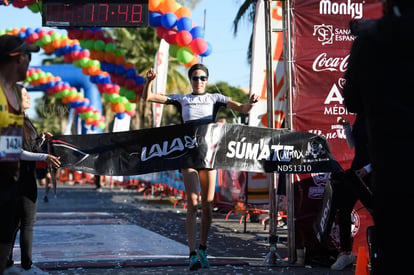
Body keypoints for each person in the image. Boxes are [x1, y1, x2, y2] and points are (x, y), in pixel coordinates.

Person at [144, 63, 259, 271]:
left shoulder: (215, 98)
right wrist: (149, 82)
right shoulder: (183, 99)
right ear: (190, 80)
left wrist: (250, 102)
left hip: (208, 158)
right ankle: (191, 254)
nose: (199, 82)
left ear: (207, 80)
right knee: (193, 204)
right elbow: (149, 97)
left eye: (203, 78)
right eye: (195, 78)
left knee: (207, 205)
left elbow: (242, 109)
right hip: (188, 157)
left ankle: (203, 249)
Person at [342, 0, 414, 273]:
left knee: (396, 249)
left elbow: (352, 101)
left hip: (391, 166)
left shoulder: (372, 39)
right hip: (388, 163)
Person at [5, 86, 60, 275]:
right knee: (22, 222)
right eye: (25, 94)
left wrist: (42, 139)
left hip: (26, 177)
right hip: (15, 178)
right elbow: (15, 151)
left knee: (20, 222)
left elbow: (31, 148)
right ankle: (24, 265)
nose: (29, 97)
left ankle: (11, 261)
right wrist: (43, 158)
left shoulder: (27, 121)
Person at [0, 34, 40, 275]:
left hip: (9, 184)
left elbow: (9, 147)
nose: (30, 62)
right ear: (16, 58)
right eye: (28, 56)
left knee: (6, 240)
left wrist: (40, 156)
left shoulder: (13, 93)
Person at [327, 115, 373, 271]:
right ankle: (346, 252)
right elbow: (353, 144)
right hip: (356, 172)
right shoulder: (360, 118)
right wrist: (346, 127)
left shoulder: (380, 117)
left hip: (373, 174)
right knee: (344, 209)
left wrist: (368, 169)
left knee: (377, 212)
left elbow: (386, 149)